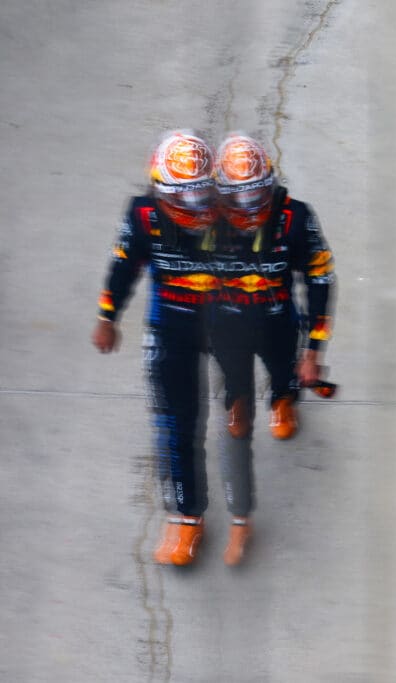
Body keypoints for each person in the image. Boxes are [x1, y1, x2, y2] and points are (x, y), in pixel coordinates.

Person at [92, 131, 219, 566]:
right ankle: (186, 517)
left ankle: (283, 390)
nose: (195, 207)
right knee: (177, 424)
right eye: (184, 197)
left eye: (201, 194)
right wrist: (108, 317)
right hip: (171, 327)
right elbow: (123, 267)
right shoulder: (142, 215)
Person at [209, 132, 335, 565]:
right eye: (238, 198)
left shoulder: (297, 218)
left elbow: (320, 279)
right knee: (235, 407)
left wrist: (314, 351)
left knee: (284, 374)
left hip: (279, 323)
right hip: (227, 330)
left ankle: (283, 399)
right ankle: (240, 516)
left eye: (256, 195)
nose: (248, 207)